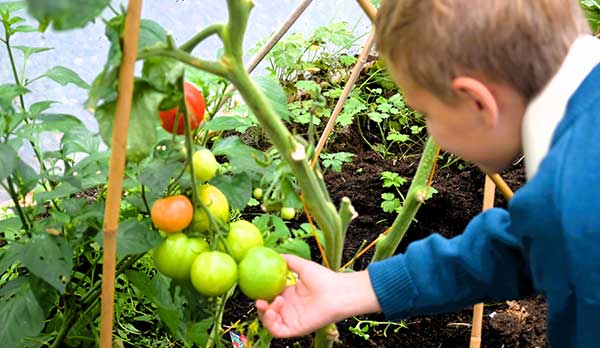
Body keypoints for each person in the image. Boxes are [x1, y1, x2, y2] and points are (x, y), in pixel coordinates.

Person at [256, 0, 600, 346]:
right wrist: (352, 289)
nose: (431, 133)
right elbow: (524, 244)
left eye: (426, 113)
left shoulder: (573, 208)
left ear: (477, 102)